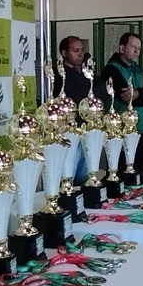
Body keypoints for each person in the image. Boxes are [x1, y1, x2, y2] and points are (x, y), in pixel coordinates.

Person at [53, 36, 109, 183]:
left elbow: (105, 90)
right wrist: (92, 91)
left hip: (87, 132)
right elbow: (79, 96)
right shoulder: (59, 74)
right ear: (64, 53)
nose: (80, 54)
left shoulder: (86, 72)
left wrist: (92, 90)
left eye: (82, 50)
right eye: (75, 50)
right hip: (69, 135)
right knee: (68, 178)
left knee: (86, 178)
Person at [102, 33, 143, 173]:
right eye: (133, 47)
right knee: (119, 172)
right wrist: (141, 94)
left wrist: (137, 93)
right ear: (122, 48)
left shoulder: (140, 70)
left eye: (139, 48)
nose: (137, 51)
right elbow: (125, 97)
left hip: (141, 128)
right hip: (120, 131)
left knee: (138, 172)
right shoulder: (111, 69)